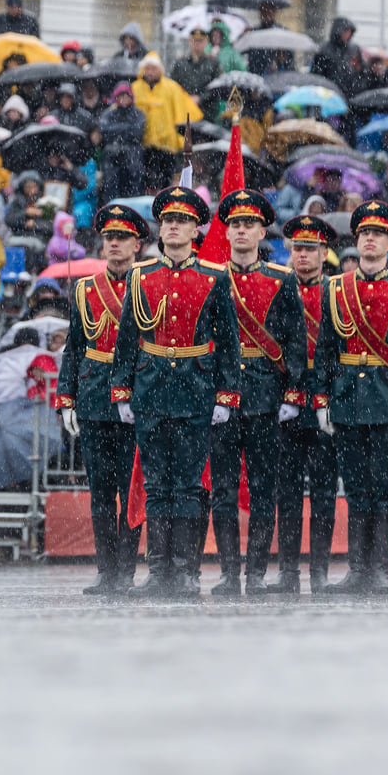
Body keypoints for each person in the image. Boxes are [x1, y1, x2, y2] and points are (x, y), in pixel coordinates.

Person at [109, 188, 240, 598]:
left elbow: (229, 342)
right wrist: (122, 390)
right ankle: (159, 569)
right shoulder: (140, 275)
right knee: (156, 487)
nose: (173, 227)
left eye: (181, 221)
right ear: (160, 230)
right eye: (167, 221)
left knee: (187, 487)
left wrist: (225, 395)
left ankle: (186, 571)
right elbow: (127, 338)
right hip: (150, 388)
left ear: (196, 228)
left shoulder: (215, 277)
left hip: (195, 388)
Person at [313, 201, 388, 594]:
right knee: (356, 488)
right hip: (346, 399)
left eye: (377, 234)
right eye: (364, 233)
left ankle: (379, 569)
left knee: (382, 488)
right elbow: (326, 350)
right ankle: (357, 569)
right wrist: (322, 400)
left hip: (385, 401)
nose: (369, 240)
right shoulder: (335, 288)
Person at [206, 191, 307, 596]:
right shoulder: (212, 278)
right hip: (222, 398)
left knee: (266, 491)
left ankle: (257, 574)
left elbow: (295, 342)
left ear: (262, 231)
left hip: (267, 398)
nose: (242, 230)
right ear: (227, 232)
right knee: (224, 491)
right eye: (235, 224)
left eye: (249, 224)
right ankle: (230, 573)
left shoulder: (281, 281)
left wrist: (293, 393)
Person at [54, 204, 149, 595]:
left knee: (131, 492)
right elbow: (74, 348)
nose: (113, 244)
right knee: (100, 493)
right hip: (94, 397)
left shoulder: (148, 283)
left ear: (136, 244)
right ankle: (104, 569)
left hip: (136, 400)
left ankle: (125, 570)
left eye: (121, 238)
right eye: (109, 238)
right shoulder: (84, 288)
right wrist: (66, 398)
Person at [269, 215, 342, 593]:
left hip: (325, 401)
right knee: (288, 493)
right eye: (296, 248)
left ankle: (320, 572)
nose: (302, 255)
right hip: (288, 401)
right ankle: (287, 573)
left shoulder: (337, 292)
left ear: (324, 252)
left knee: (325, 493)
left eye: (310, 248)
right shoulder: (280, 291)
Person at [132, 53, 202, 193]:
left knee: (165, 179)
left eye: (154, 69)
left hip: (166, 143)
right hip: (143, 143)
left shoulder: (171, 87)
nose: (151, 72)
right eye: (148, 68)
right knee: (144, 180)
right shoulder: (135, 88)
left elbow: (185, 110)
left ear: (160, 70)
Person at [97, 83, 147, 203]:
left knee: (133, 188)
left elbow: (137, 132)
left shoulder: (138, 113)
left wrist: (117, 130)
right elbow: (104, 132)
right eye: (121, 96)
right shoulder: (109, 113)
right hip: (112, 157)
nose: (124, 99)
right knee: (111, 188)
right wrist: (126, 128)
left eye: (126, 96)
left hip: (132, 157)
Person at [310, 17, 366, 98]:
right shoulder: (324, 50)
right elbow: (316, 73)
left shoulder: (354, 49)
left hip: (350, 95)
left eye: (350, 32)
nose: (348, 34)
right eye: (346, 31)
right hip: (328, 93)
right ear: (338, 31)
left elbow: (361, 71)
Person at [168, 28, 220, 106]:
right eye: (194, 40)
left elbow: (217, 89)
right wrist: (185, 97)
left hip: (206, 110)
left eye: (200, 41)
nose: (197, 43)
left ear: (206, 42)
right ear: (190, 41)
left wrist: (200, 98)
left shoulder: (213, 63)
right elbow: (173, 86)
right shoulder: (180, 63)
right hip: (184, 108)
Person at [244, 1, 295, 76]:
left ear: (274, 13)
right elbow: (245, 51)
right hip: (256, 73)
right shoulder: (253, 32)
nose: (266, 14)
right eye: (263, 11)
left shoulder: (282, 32)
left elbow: (289, 56)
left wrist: (281, 60)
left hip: (278, 75)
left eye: (268, 11)